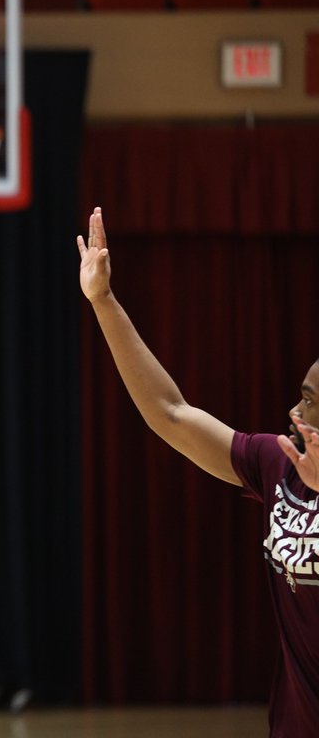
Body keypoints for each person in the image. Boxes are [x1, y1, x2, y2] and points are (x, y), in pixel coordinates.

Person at [77, 206, 319, 737]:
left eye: (311, 403)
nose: (295, 414)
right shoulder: (277, 463)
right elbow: (172, 414)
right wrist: (104, 302)